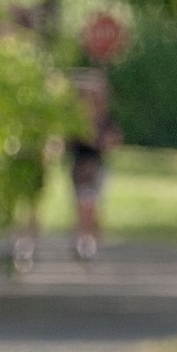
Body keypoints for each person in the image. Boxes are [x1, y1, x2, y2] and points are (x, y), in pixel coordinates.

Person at [68, 65, 120, 261]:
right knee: (83, 203)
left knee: (92, 204)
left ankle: (88, 239)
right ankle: (83, 240)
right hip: (80, 166)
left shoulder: (105, 118)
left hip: (97, 166)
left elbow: (113, 140)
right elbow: (71, 142)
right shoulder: (76, 118)